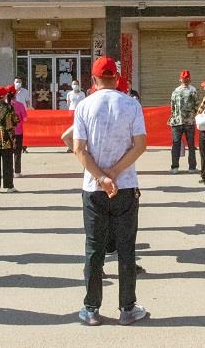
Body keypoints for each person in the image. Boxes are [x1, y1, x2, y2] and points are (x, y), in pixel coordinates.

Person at [73, 56, 148, 326]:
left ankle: (91, 308)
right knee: (126, 248)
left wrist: (101, 177)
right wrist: (114, 173)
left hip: (93, 188)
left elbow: (79, 149)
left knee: (94, 248)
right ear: (116, 78)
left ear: (93, 80)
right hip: (125, 186)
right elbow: (140, 145)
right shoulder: (131, 104)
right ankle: (127, 308)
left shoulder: (83, 105)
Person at [167, 70, 198, 174]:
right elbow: (196, 105)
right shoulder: (193, 90)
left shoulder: (176, 91)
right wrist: (192, 116)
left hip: (177, 122)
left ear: (180, 79)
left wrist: (175, 116)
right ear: (189, 79)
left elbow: (172, 106)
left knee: (176, 144)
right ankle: (192, 168)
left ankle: (174, 167)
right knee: (191, 145)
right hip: (189, 122)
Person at [0, 85, 19, 193]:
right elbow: (15, 121)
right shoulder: (9, 107)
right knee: (8, 163)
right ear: (3, 96)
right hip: (7, 138)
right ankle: (9, 186)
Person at [10, 87, 29, 178]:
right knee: (17, 152)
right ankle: (17, 172)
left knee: (7, 153)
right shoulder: (20, 105)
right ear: (15, 94)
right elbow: (25, 118)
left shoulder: (4, 105)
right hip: (18, 131)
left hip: (6, 133)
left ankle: (8, 172)